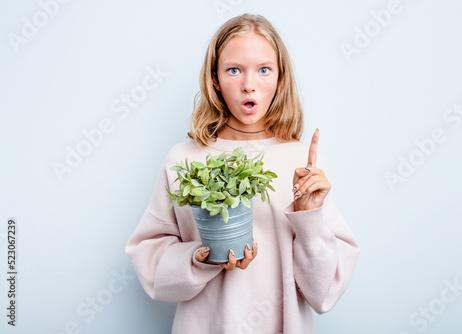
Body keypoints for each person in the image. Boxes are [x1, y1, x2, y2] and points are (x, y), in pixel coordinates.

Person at [125, 13, 360, 334]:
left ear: (280, 79)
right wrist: (203, 257)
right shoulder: (184, 159)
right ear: (215, 80)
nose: (249, 84)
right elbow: (151, 263)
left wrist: (309, 219)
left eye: (264, 70)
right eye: (234, 70)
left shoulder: (301, 163)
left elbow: (324, 294)